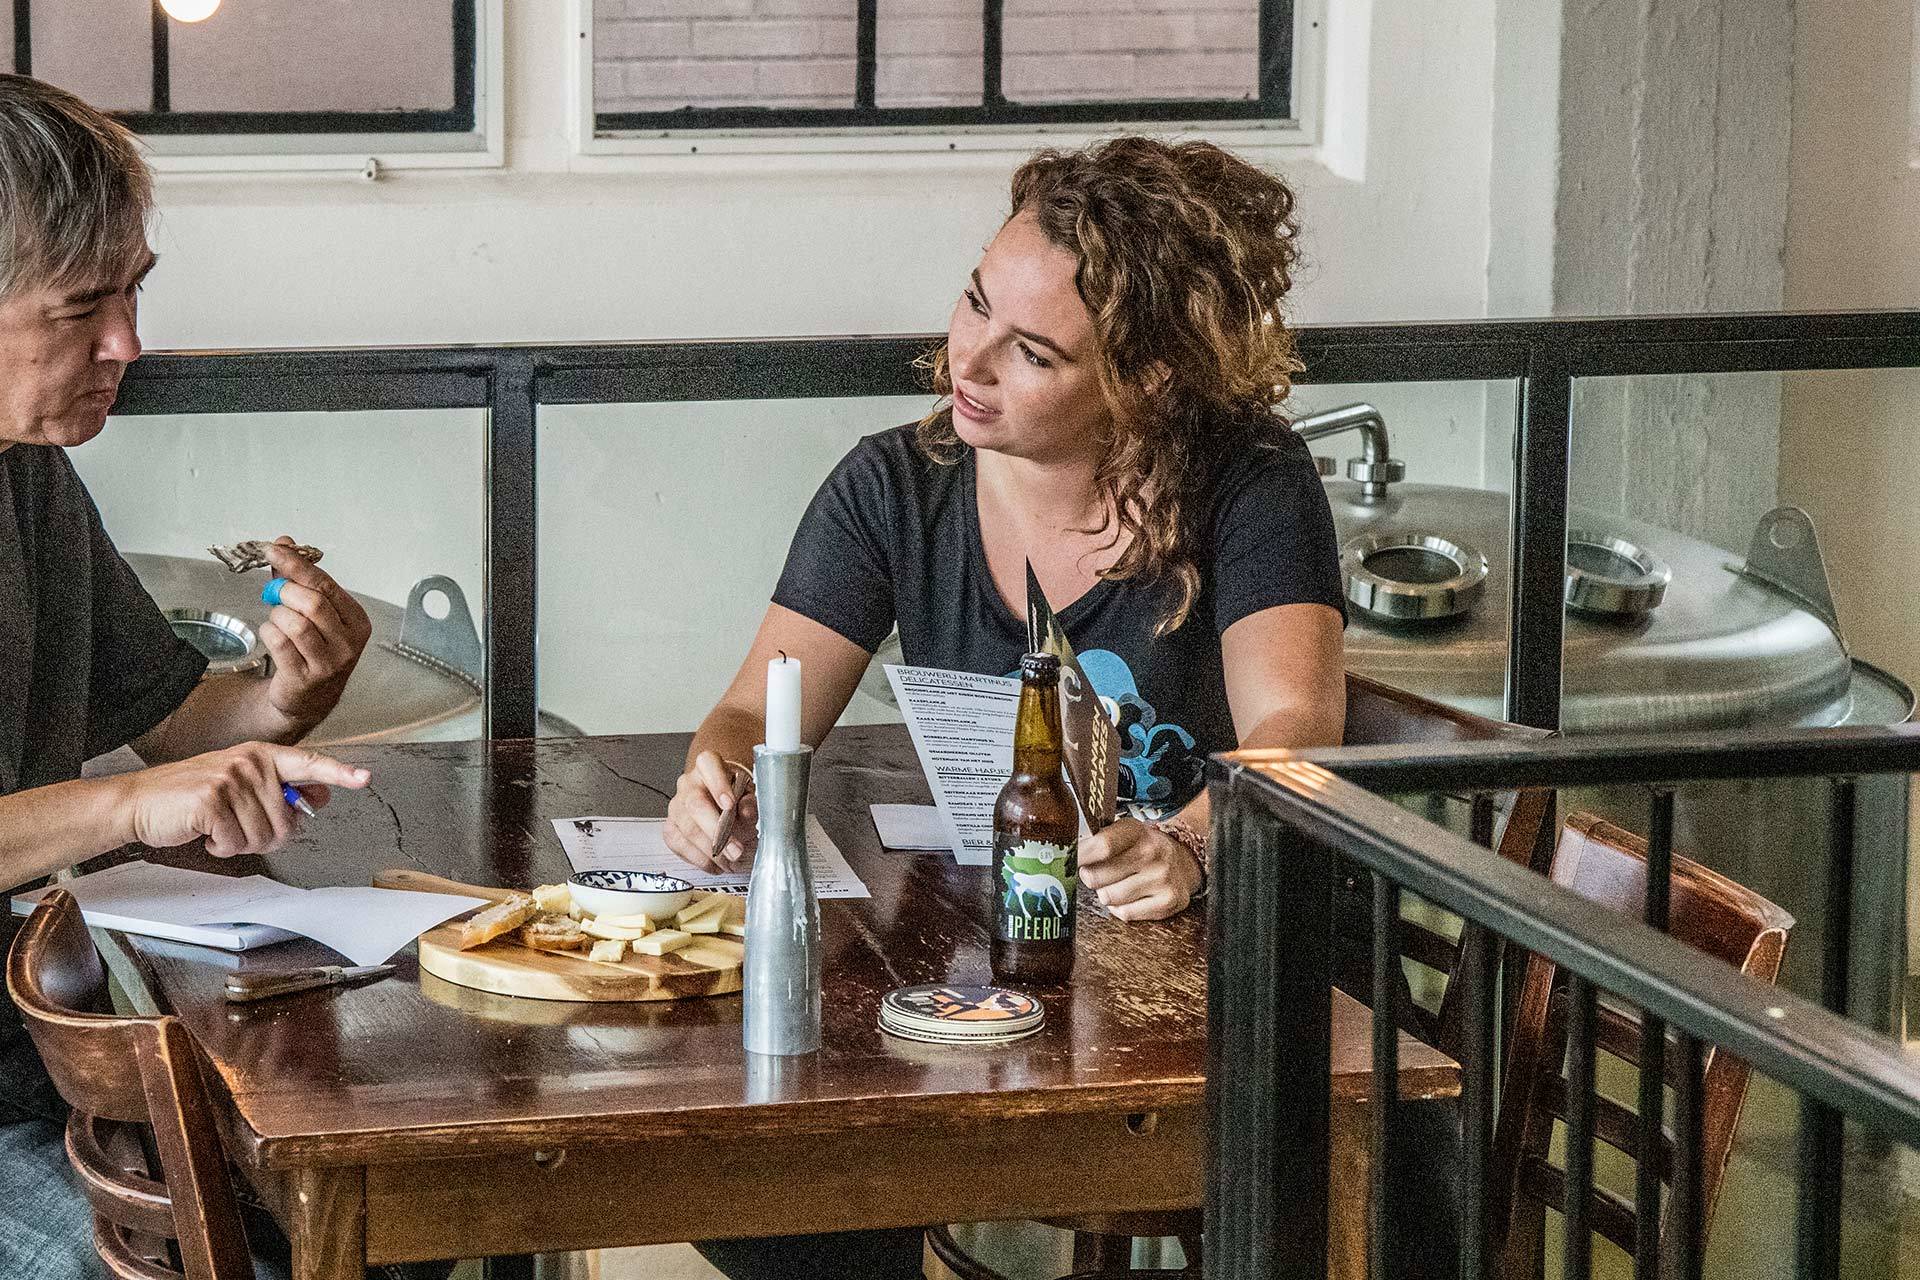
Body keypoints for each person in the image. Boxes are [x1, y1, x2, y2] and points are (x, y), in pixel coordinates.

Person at [665, 136, 1347, 1278]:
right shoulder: (895, 486)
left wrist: (1193, 842)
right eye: (976, 301)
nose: (969, 360)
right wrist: (723, 780)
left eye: (1033, 352)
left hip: (1234, 988)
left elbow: (1299, 730)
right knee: (773, 1180)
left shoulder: (1250, 481)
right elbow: (752, 711)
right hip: (1013, 979)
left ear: (1146, 379)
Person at [0, 75, 385, 1279]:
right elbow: (150, 786)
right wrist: (129, 804)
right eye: (83, 306)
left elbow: (175, 725)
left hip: (43, 1057)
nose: (127, 341)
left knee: (384, 1225)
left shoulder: (28, 469)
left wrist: (289, 693)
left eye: (133, 290)